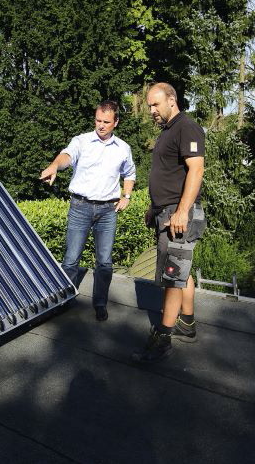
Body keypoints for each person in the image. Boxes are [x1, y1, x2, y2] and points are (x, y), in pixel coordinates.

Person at [40, 101, 136, 321]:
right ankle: (64, 300)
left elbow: (129, 173)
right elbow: (67, 156)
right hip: (80, 207)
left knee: (104, 262)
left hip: (107, 211)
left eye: (106, 122)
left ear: (116, 123)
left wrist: (127, 196)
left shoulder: (123, 148)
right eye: (98, 120)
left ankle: (100, 303)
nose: (101, 125)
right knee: (71, 259)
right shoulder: (81, 141)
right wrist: (55, 165)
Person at [132, 83, 206, 363]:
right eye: (150, 106)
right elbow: (168, 174)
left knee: (173, 275)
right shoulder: (169, 131)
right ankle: (186, 323)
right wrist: (155, 207)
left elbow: (196, 169)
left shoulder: (187, 127)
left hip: (179, 214)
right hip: (167, 211)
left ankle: (162, 338)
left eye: (155, 105)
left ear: (172, 101)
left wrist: (182, 211)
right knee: (181, 270)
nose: (151, 111)